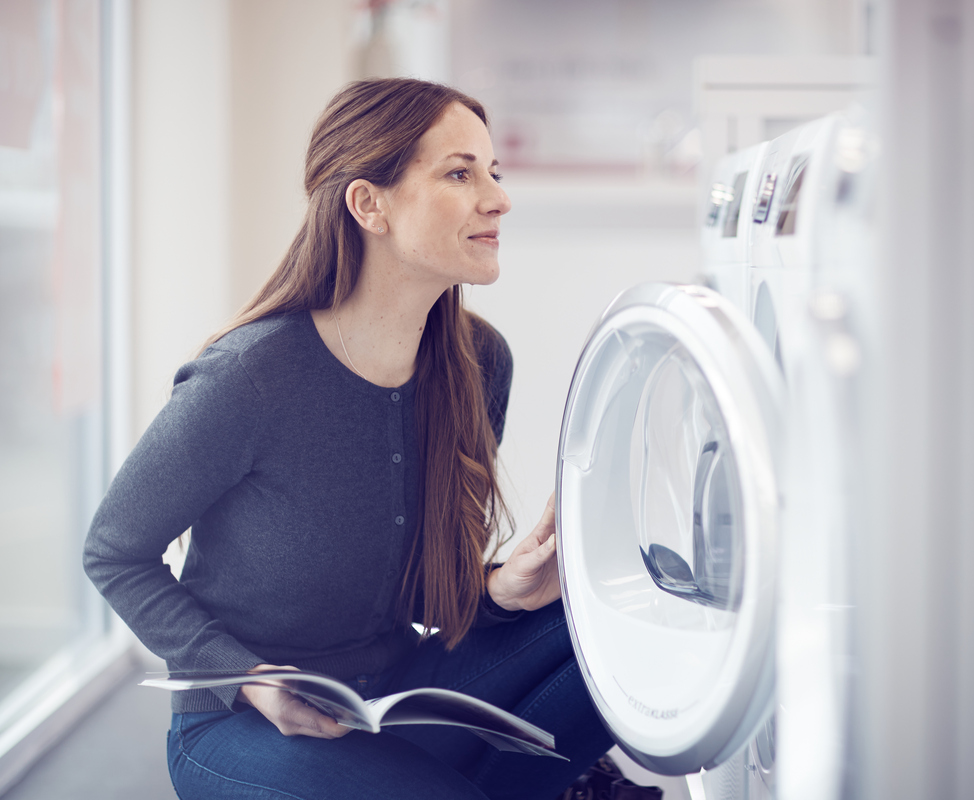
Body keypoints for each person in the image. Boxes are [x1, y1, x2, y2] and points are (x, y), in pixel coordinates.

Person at [82, 78, 613, 800]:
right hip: (245, 726)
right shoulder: (250, 376)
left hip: (397, 696)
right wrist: (249, 679)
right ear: (369, 204)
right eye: (460, 173)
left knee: (605, 629)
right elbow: (114, 551)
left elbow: (426, 590)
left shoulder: (480, 363)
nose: (498, 198)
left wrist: (501, 589)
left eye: (494, 172)